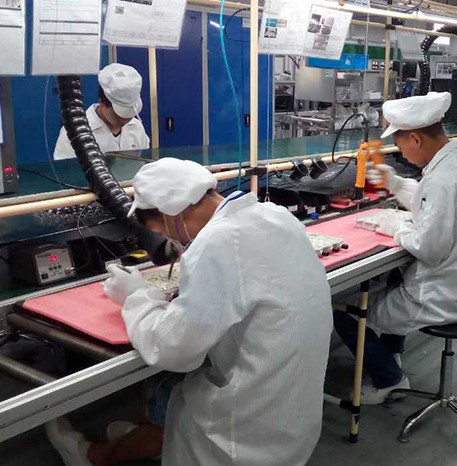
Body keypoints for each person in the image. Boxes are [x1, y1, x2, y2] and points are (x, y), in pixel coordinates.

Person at [46, 158, 333, 466]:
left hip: (244, 431)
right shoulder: (275, 215)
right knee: (171, 391)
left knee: (170, 384)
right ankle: (145, 435)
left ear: (171, 213)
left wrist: (136, 296)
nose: (169, 240)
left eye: (158, 230)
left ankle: (90, 457)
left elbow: (174, 349)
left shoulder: (216, 242)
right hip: (294, 413)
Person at [333, 92, 457, 405]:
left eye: (400, 144)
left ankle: (389, 378)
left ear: (416, 138)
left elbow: (428, 247)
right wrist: (395, 183)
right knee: (394, 279)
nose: (401, 153)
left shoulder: (442, 178)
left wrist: (395, 226)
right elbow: (432, 204)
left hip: (441, 294)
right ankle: (391, 353)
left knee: (343, 310)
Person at [54, 64, 150, 160]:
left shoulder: (137, 127)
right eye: (119, 114)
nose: (125, 119)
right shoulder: (74, 132)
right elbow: (63, 167)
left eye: (130, 113)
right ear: (101, 102)